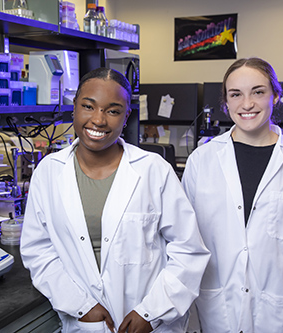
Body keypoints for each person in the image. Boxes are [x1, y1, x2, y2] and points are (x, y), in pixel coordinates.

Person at [20, 67, 210, 333]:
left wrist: (151, 312)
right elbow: (38, 251)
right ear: (74, 107)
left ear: (126, 116)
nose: (98, 120)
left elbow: (188, 251)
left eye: (112, 110)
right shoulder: (49, 172)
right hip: (84, 321)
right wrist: (80, 305)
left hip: (149, 322)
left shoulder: (153, 170)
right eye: (88, 106)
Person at [182, 57, 283, 333]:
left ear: (276, 95)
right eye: (236, 94)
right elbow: (185, 244)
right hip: (215, 310)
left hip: (280, 317)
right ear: (225, 102)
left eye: (258, 92)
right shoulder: (201, 161)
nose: (246, 104)